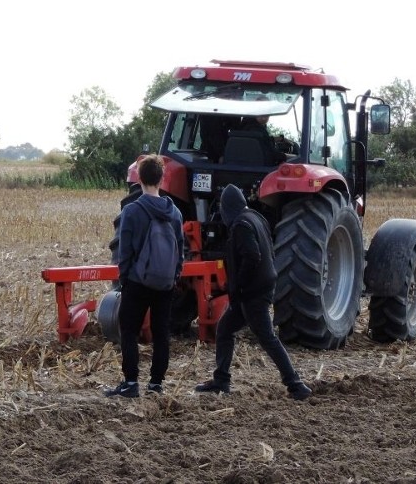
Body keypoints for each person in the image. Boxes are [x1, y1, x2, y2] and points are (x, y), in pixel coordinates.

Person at [195, 184, 311, 400]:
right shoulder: (256, 218)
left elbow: (252, 255)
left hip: (252, 292)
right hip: (258, 288)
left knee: (267, 337)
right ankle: (221, 380)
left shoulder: (241, 225)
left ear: (227, 208)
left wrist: (239, 284)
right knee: (224, 329)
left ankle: (296, 384)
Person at [104, 155, 184, 398]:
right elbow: (181, 250)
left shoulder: (133, 210)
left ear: (139, 178)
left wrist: (126, 278)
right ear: (162, 178)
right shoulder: (175, 213)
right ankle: (156, 384)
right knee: (162, 333)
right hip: (165, 283)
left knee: (128, 330)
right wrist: (174, 276)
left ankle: (130, 383)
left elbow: (125, 250)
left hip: (138, 282)